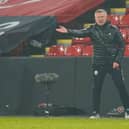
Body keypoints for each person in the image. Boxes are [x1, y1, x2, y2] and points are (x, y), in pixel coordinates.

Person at [56, 9, 129, 119]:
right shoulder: (92, 29)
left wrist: (117, 61)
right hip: (98, 64)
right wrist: (68, 31)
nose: (100, 19)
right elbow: (80, 32)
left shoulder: (114, 29)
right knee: (96, 88)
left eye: (102, 17)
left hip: (113, 64)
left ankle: (127, 110)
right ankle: (96, 113)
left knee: (121, 86)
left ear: (106, 17)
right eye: (98, 17)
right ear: (95, 18)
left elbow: (122, 46)